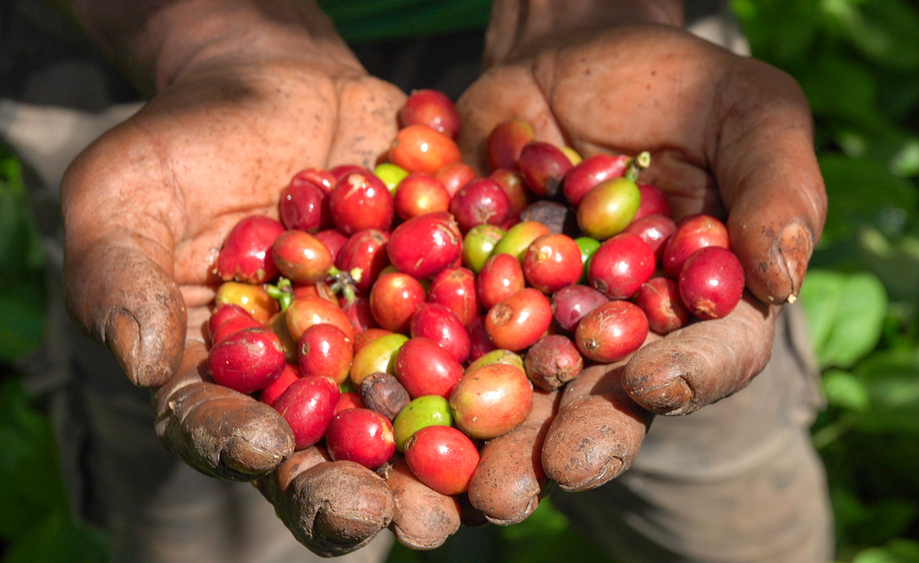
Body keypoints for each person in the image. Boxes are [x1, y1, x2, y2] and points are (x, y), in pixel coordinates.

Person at [4, 0, 833, 561]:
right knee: (218, 512)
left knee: (724, 494)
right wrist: (216, 36)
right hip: (144, 57)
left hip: (591, 53)